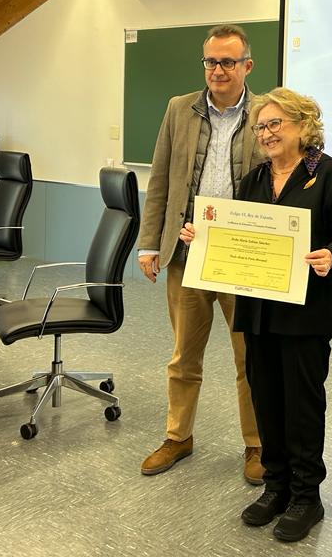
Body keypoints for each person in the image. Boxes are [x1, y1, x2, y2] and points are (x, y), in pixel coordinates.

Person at [179, 88, 332, 542]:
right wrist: (198, 237)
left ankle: (306, 496)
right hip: (258, 311)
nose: (266, 133)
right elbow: (234, 233)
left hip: (305, 314)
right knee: (266, 397)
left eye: (275, 124)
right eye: (261, 126)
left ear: (303, 125)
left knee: (302, 403)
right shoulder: (256, 178)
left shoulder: (328, 173)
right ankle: (276, 487)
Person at [138, 24, 267, 484]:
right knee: (183, 356)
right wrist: (150, 243)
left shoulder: (267, 114)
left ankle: (256, 445)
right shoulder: (179, 109)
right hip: (185, 253)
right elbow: (160, 180)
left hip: (243, 257)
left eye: (228, 62)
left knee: (249, 357)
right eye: (211, 61)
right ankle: (178, 436)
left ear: (247, 66)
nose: (217, 70)